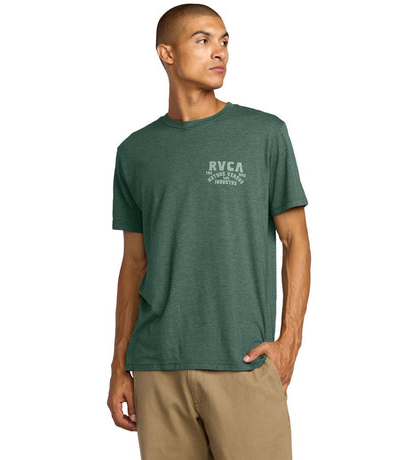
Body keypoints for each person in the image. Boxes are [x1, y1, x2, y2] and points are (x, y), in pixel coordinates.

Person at [107, 3, 311, 459]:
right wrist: (120, 365)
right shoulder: (135, 152)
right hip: (158, 369)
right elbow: (134, 264)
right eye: (202, 40)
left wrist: (290, 340)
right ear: (167, 54)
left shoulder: (263, 134)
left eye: (224, 41)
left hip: (243, 361)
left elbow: (296, 240)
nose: (220, 52)